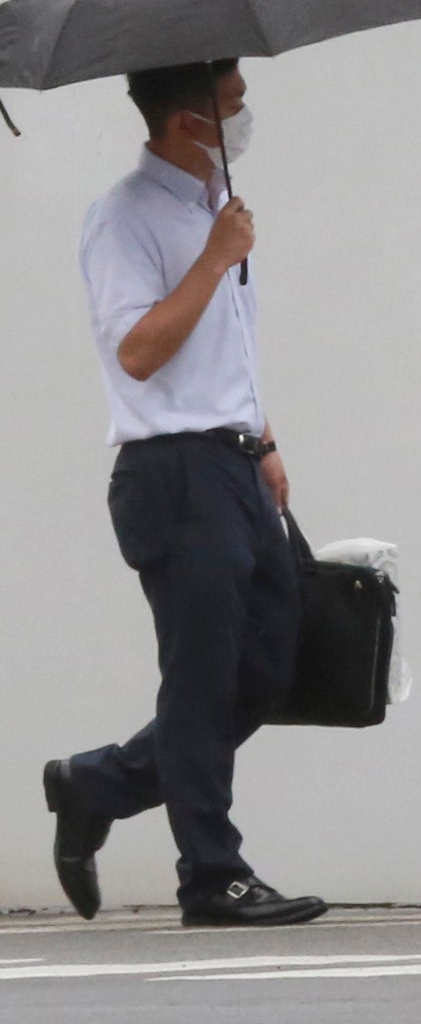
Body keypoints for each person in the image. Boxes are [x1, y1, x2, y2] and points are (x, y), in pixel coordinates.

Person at [44, 57, 320, 928]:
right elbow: (137, 351)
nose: (244, 116)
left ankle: (96, 785)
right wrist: (213, 260)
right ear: (183, 122)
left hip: (234, 464)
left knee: (268, 667)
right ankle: (211, 873)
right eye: (231, 102)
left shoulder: (212, 210)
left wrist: (264, 438)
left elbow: (222, 350)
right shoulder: (125, 217)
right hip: (173, 473)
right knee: (199, 683)